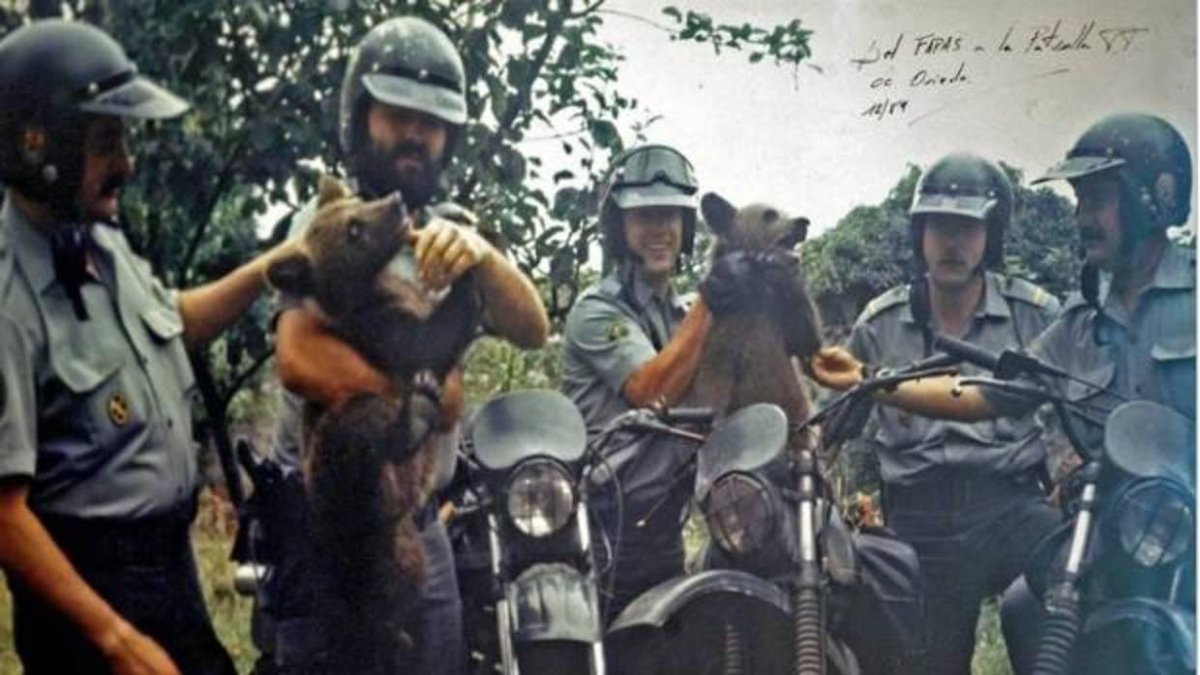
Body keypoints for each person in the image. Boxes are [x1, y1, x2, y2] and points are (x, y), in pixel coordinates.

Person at [812, 113, 1195, 673]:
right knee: (1030, 610)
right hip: (1115, 534)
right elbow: (979, 396)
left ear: (1149, 201)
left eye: (1098, 201)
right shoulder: (1078, 323)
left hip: (1184, 533)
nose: (1083, 218)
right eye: (1080, 202)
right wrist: (868, 380)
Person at [0, 19, 301, 675]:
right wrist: (113, 637)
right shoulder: (8, 301)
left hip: (169, 578)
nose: (127, 165)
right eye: (107, 144)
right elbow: (5, 513)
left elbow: (172, 320)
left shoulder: (95, 239)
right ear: (39, 143)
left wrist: (270, 266)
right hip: (86, 606)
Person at [260, 16, 549, 675]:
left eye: (433, 120)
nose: (416, 132)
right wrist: (424, 389)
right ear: (363, 117)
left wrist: (482, 257)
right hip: (332, 526)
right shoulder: (328, 224)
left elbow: (532, 327)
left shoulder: (449, 235)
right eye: (399, 113)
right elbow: (305, 361)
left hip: (421, 524)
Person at [838, 153, 1062, 674]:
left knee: (1073, 593)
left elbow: (1075, 407)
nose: (952, 242)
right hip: (921, 514)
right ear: (919, 234)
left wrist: (1068, 472)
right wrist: (855, 502)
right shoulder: (879, 325)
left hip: (1011, 507)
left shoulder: (1036, 314)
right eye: (939, 226)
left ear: (991, 235)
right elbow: (839, 428)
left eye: (967, 227)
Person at [560, 144, 719, 621]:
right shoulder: (598, 310)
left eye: (671, 216)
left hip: (664, 530)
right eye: (644, 216)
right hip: (606, 534)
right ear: (619, 226)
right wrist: (717, 295)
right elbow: (654, 391)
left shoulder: (683, 315)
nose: (660, 230)